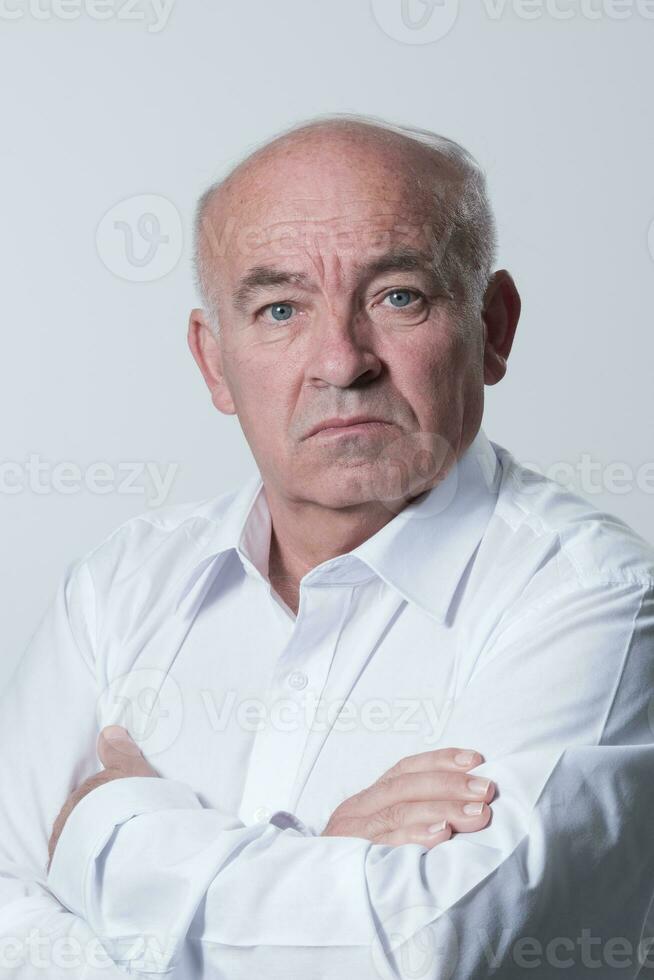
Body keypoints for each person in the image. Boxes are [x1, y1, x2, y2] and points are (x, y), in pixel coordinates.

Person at [1, 112, 653, 979]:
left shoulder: (598, 598)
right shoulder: (119, 586)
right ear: (214, 364)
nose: (342, 362)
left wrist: (111, 830)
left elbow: (431, 951)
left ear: (493, 326)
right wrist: (325, 855)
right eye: (280, 308)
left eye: (398, 296)